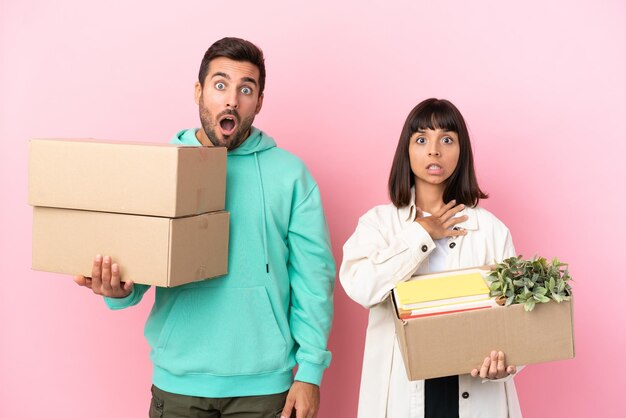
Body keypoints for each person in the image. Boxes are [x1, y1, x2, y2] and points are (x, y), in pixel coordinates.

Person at [74, 37, 335, 418]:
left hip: (266, 388)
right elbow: (138, 275)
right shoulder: (161, 168)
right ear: (199, 92)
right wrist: (116, 289)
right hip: (179, 385)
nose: (232, 99)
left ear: (259, 101)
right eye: (220, 84)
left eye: (246, 89)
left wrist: (310, 373)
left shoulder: (290, 176)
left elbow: (315, 279)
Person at [339, 98, 522, 418]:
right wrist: (421, 235)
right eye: (422, 139)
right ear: (406, 151)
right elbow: (363, 288)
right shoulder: (379, 224)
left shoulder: (491, 230)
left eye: (447, 139)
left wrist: (505, 366)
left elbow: (516, 323)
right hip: (401, 394)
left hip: (475, 394)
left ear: (461, 151)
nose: (434, 150)